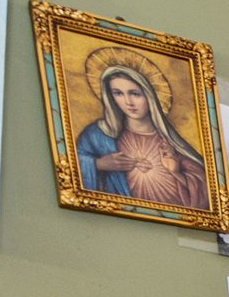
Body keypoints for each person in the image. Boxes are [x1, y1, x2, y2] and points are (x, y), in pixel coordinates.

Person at [78, 65, 212, 212]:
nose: (128, 102)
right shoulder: (98, 136)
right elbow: (71, 169)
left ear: (150, 96)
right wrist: (98, 164)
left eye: (135, 94)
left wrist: (176, 172)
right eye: (118, 93)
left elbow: (207, 199)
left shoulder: (170, 143)